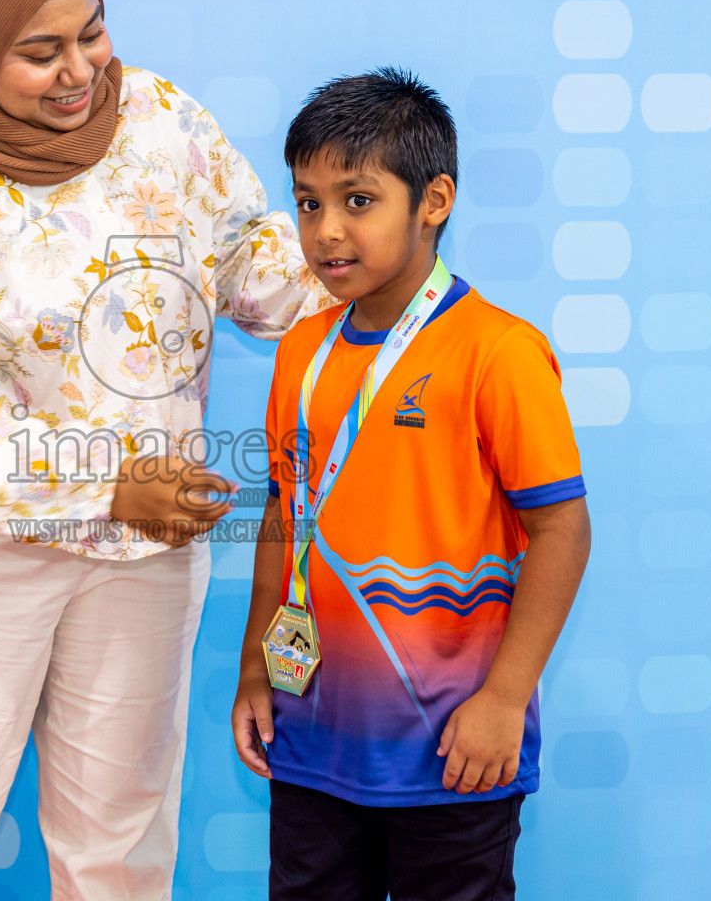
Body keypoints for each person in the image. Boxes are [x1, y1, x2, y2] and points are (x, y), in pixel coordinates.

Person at [0, 0, 333, 901]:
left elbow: (261, 269)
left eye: (91, 33)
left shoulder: (161, 120)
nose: (79, 71)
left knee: (120, 847)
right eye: (39, 51)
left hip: (144, 556)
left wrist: (397, 301)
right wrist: (109, 488)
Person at [231, 69, 592, 901]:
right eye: (309, 202)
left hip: (453, 749)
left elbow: (563, 533)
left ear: (434, 201)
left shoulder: (496, 352)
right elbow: (287, 515)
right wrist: (256, 667)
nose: (325, 231)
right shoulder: (301, 350)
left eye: (358, 201)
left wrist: (503, 700)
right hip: (312, 742)